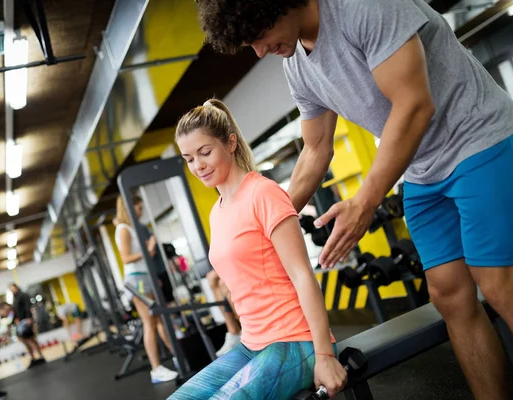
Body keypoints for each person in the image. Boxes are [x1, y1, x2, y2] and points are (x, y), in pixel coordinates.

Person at [195, 2, 513, 399]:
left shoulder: (362, 6)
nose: (259, 52)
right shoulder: (297, 66)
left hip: (478, 139)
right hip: (421, 172)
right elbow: (315, 150)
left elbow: (415, 104)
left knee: (499, 285)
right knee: (449, 296)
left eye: (259, 36)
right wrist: (268, 224)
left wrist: (364, 202)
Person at [169, 98, 346, 399]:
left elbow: (303, 275)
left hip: (294, 340)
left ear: (231, 143)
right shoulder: (217, 211)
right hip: (252, 343)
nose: (198, 166)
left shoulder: (263, 193)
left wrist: (325, 355)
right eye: (189, 159)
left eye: (205, 152)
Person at [114, 194, 179, 384]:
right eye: (138, 208)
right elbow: (126, 258)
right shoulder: (124, 229)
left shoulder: (132, 228)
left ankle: (177, 357)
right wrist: (147, 249)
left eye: (142, 208)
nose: (141, 212)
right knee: (149, 323)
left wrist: (149, 250)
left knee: (159, 319)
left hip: (144, 277)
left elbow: (141, 257)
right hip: (136, 280)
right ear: (128, 208)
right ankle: (156, 369)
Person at [9, 283, 46, 368]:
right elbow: (15, 311)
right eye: (11, 289)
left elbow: (27, 307)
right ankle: (33, 358)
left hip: (26, 321)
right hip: (21, 323)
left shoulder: (23, 295)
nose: (12, 290)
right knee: (24, 340)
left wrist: (29, 318)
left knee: (32, 339)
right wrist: (12, 322)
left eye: (13, 288)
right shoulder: (15, 299)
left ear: (16, 287)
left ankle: (40, 356)